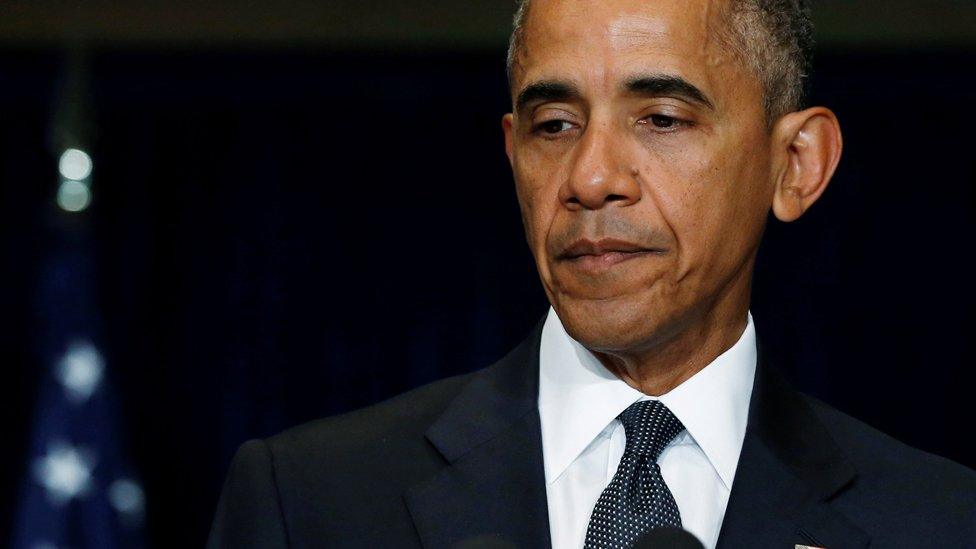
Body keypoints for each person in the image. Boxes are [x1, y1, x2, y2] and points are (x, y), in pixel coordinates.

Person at [207, 0, 976, 547]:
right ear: (513, 156)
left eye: (662, 119)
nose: (591, 175)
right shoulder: (312, 501)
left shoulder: (940, 523)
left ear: (795, 165)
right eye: (555, 125)